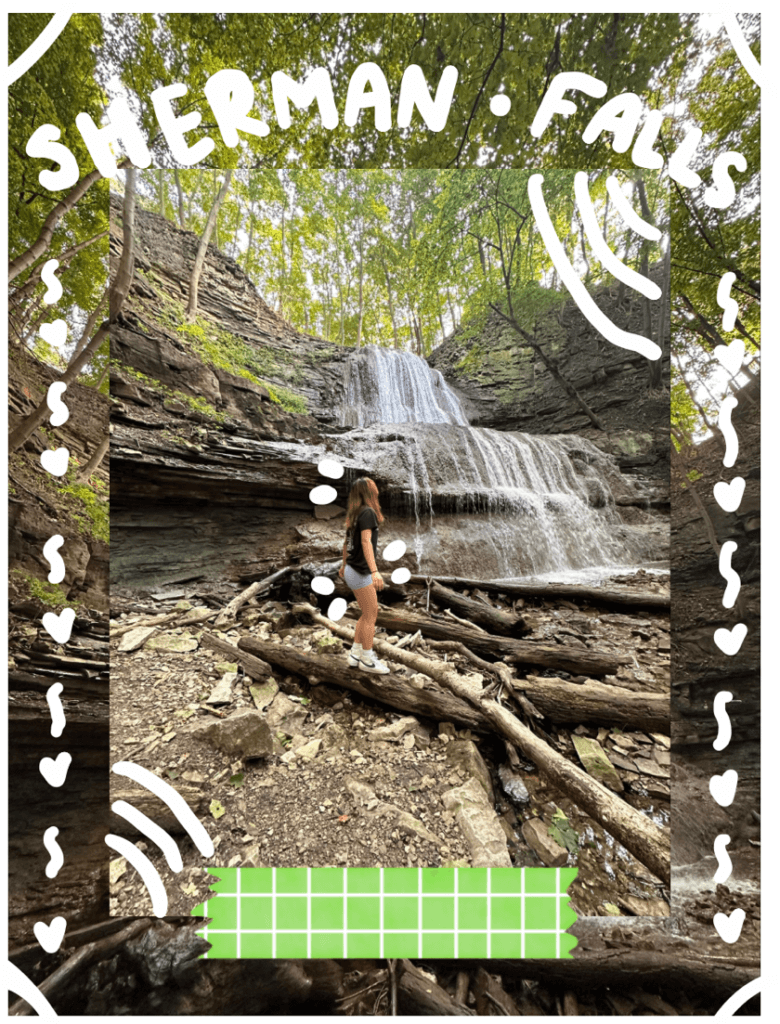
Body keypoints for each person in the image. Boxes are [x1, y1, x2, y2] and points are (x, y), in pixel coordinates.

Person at [338, 477, 391, 674]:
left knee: (365, 613)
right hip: (360, 572)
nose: (377, 487)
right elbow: (366, 542)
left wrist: (344, 565)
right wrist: (375, 571)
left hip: (351, 569)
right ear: (368, 491)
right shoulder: (368, 512)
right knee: (371, 615)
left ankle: (355, 653)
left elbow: (347, 544)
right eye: (373, 485)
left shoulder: (355, 513)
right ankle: (367, 660)